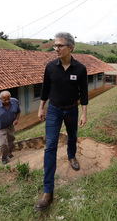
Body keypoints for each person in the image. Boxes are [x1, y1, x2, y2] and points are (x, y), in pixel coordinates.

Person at [35, 32, 88, 211]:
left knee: (72, 136)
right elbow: (45, 88)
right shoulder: (50, 67)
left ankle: (71, 156)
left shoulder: (80, 69)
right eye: (55, 46)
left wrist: (84, 113)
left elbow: (84, 93)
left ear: (70, 48)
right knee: (50, 145)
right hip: (54, 110)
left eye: (59, 46)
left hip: (72, 109)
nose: (55, 49)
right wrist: (41, 107)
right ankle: (47, 192)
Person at [0, 91, 21, 165]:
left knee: (11, 140)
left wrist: (17, 119)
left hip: (10, 126)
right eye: (5, 100)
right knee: (3, 143)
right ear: (0, 99)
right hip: (0, 127)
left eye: (8, 99)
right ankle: (4, 158)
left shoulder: (15, 102)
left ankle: (9, 152)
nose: (7, 101)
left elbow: (18, 111)